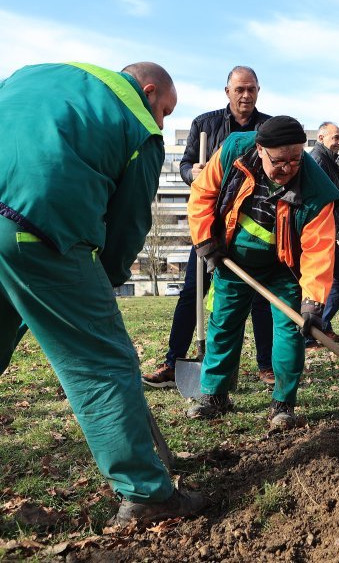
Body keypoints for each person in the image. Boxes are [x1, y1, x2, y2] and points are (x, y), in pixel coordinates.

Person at [0, 61, 205, 524]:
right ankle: (148, 494)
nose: (163, 123)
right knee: (103, 364)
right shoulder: (139, 130)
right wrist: (108, 276)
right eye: (165, 111)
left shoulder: (35, 73)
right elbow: (129, 223)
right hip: (41, 228)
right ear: (148, 90)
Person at [187, 115, 339, 429]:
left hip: (284, 267)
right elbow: (203, 194)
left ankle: (283, 403)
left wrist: (313, 303)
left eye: (295, 159)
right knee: (224, 323)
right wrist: (205, 241)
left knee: (289, 330)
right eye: (279, 161)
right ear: (260, 149)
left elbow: (318, 250)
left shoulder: (318, 191)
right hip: (232, 258)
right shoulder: (234, 151)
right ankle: (214, 395)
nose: (288, 168)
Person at [143, 66, 277, 389]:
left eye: (251, 89)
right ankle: (174, 362)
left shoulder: (268, 128)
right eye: (239, 89)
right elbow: (185, 165)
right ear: (227, 91)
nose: (246, 95)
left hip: (250, 227)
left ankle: (266, 365)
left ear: (258, 91)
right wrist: (196, 172)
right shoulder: (205, 124)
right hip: (210, 225)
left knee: (259, 297)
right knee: (192, 292)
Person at [308, 122, 339, 346]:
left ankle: (322, 327)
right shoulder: (319, 160)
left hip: (324, 230)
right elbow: (323, 201)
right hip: (318, 232)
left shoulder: (327, 160)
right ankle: (315, 330)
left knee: (332, 278)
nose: (338, 142)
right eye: (334, 138)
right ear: (320, 137)